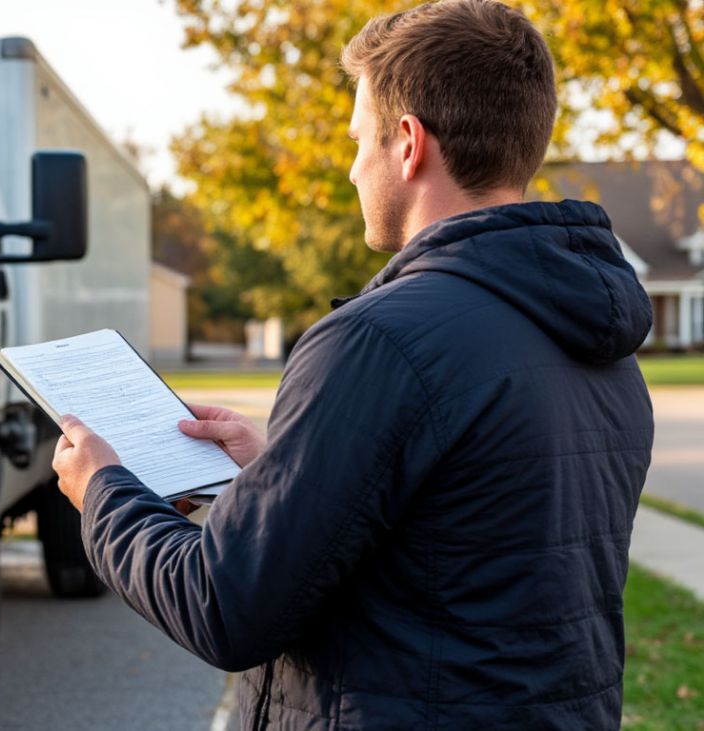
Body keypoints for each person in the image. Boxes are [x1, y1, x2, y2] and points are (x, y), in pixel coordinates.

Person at [49, 1, 655, 728]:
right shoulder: (601, 341)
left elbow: (224, 606)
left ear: (407, 143)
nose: (348, 167)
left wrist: (104, 492)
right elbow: (463, 542)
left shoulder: (381, 340)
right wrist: (275, 469)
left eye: (357, 139)